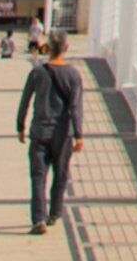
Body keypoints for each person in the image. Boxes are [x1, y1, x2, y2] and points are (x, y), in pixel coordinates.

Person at [16, 31, 84, 234]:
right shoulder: (73, 74)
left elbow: (25, 99)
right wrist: (79, 134)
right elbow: (76, 107)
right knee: (60, 174)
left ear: (48, 48)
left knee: (38, 175)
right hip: (63, 134)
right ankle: (55, 212)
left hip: (39, 131)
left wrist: (20, 126)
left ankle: (38, 219)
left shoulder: (37, 72)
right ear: (66, 48)